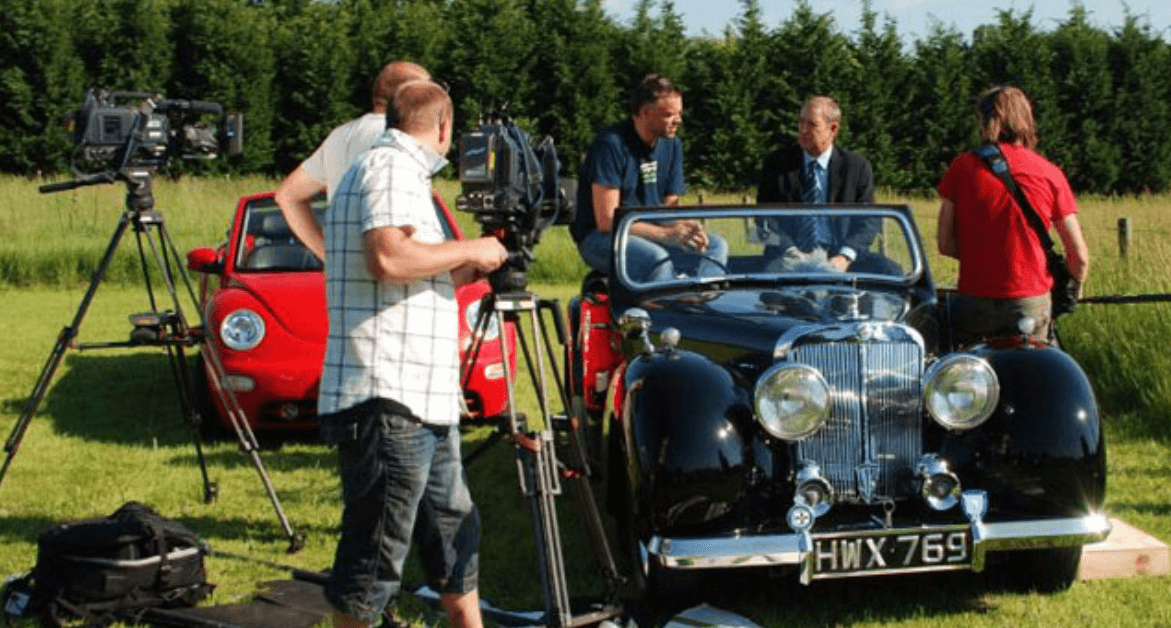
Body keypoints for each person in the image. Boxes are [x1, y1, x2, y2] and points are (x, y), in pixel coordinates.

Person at [317, 79, 507, 628]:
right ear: (444, 127)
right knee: (375, 553)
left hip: (420, 396)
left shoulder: (392, 170)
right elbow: (390, 259)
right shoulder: (392, 168)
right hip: (388, 396)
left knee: (453, 528)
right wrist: (473, 246)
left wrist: (472, 266)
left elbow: (409, 267)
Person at [937, 85, 1090, 344]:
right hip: (1029, 302)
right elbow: (1080, 256)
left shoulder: (962, 167)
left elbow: (945, 244)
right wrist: (1075, 287)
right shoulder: (1049, 172)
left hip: (974, 300)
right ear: (1027, 120)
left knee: (973, 377)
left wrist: (984, 258)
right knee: (1031, 378)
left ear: (985, 121)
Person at [570, 73, 727, 282]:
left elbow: (670, 205)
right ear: (645, 112)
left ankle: (702, 307)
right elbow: (607, 221)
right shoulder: (611, 145)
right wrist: (666, 235)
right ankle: (657, 312)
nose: (678, 121)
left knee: (716, 246)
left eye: (679, 113)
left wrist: (687, 227)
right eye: (669, 114)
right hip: (601, 239)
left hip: (653, 232)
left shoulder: (672, 145)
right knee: (656, 258)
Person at [274, 60, 431, 261]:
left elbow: (287, 195)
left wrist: (326, 254)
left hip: (348, 278)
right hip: (397, 275)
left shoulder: (339, 136)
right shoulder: (402, 136)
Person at [756, 96, 882, 273]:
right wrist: (792, 252)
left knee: (892, 274)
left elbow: (869, 221)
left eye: (812, 124)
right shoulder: (776, 165)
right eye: (801, 123)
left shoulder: (857, 167)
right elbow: (765, 219)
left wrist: (843, 257)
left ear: (833, 129)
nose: (803, 130)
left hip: (843, 261)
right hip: (787, 260)